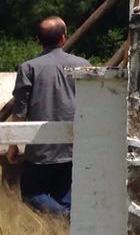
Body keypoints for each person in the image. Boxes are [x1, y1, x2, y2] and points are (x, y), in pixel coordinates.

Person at [6, 16, 90, 217]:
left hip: (40, 148)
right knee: (65, 195)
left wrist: (13, 144)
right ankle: (67, 223)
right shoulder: (83, 65)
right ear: (63, 38)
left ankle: (65, 219)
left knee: (32, 193)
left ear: (38, 40)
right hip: (74, 144)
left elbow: (20, 110)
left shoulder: (29, 68)